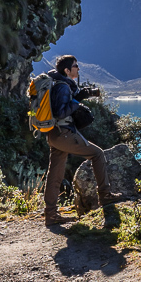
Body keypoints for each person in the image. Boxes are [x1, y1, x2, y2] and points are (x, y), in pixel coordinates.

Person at [42, 54, 116, 227]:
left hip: (54, 134)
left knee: (55, 174)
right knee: (97, 154)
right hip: (64, 134)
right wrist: (78, 99)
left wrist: (80, 95)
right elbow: (61, 112)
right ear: (67, 70)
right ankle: (105, 196)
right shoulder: (62, 87)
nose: (78, 68)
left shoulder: (58, 83)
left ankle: (51, 214)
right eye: (75, 66)